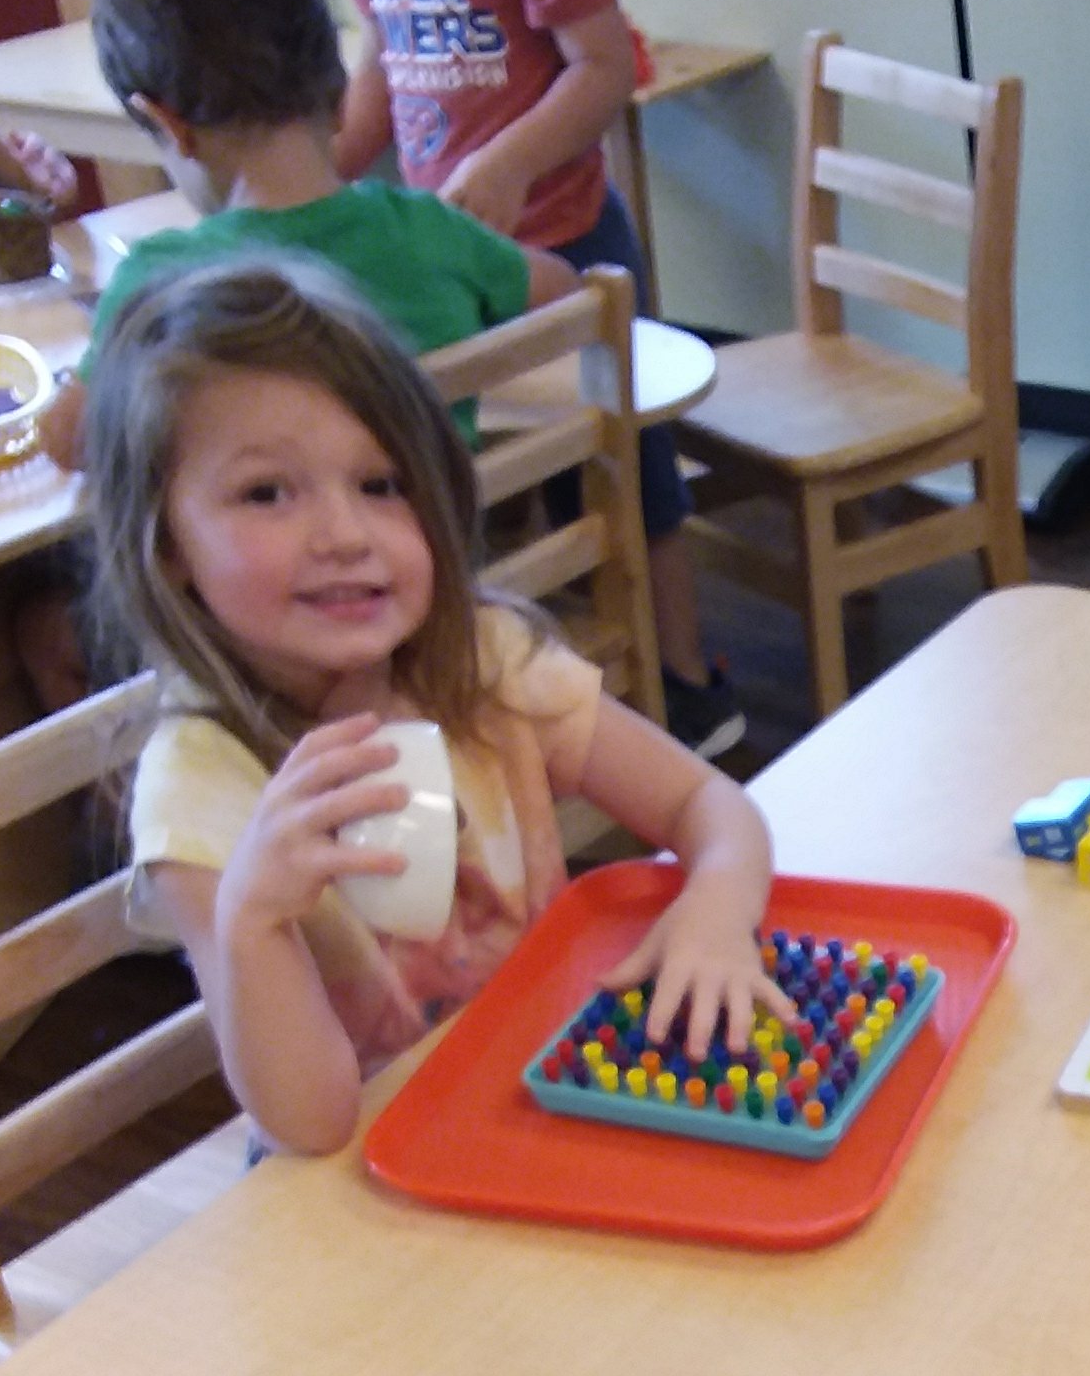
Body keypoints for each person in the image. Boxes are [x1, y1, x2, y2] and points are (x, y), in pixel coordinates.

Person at [83, 253, 785, 1158]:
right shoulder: (201, 790)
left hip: (537, 1102)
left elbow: (707, 802)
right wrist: (254, 924)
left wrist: (717, 913)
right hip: (369, 1174)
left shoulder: (483, 664)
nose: (344, 535)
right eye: (267, 493)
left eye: (380, 485)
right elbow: (311, 1125)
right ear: (168, 546)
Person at [297, 0, 745, 757]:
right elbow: (382, 63)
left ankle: (684, 683)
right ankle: (560, 693)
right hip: (456, 266)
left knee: (626, 478)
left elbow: (603, 67)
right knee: (489, 475)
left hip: (567, 245)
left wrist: (508, 164)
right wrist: (317, 174)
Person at [36, 0, 575, 476]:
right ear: (340, 96)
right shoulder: (430, 230)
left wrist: (82, 364)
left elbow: (69, 441)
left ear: (170, 126)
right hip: (431, 530)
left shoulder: (159, 284)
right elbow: (565, 293)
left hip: (283, 539)